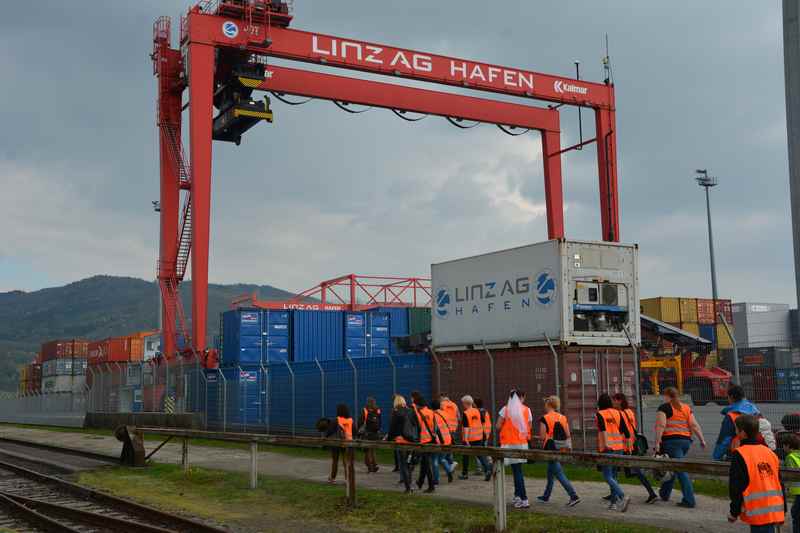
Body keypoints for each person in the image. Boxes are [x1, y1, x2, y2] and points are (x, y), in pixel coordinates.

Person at [728, 414, 785, 532]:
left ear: (742, 432)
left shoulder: (740, 454)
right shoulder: (769, 452)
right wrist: (783, 509)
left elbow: (736, 486)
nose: (735, 431)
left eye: (736, 428)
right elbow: (779, 482)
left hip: (758, 511)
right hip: (774, 509)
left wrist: (734, 511)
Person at [653, 386, 706, 508]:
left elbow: (661, 425)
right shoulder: (686, 408)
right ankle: (664, 493)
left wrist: (657, 442)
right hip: (685, 442)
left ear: (667, 396)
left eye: (663, 395)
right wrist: (702, 439)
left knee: (680, 470)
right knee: (673, 466)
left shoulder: (664, 407)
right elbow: (694, 425)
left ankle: (689, 499)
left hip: (671, 442)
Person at [612, 392, 657, 504]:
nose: (613, 402)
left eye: (614, 400)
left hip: (625, 445)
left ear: (619, 401)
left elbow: (621, 430)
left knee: (628, 470)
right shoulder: (630, 412)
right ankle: (613, 492)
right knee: (617, 469)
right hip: (632, 444)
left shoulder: (620, 413)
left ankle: (652, 493)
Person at [536, 395, 581, 506]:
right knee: (551, 471)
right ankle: (546, 496)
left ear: (548, 405)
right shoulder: (562, 417)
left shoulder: (545, 418)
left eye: (545, 403)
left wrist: (539, 438)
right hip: (561, 447)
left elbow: (542, 437)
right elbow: (568, 435)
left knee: (558, 473)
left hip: (550, 447)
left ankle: (573, 495)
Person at [497, 389, 533, 509]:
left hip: (509, 443)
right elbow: (529, 426)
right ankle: (518, 496)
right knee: (517, 470)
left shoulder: (505, 409)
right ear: (522, 397)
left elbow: (498, 425)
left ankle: (524, 498)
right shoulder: (527, 410)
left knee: (517, 471)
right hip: (522, 443)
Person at [596, 393, 631, 512]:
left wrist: (606, 444)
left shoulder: (600, 414)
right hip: (619, 447)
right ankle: (613, 503)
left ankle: (622, 496)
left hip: (608, 448)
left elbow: (603, 430)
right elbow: (626, 432)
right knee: (614, 476)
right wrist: (628, 446)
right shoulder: (618, 413)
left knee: (607, 476)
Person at [714, 384, 764, 461]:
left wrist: (716, 457)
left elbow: (725, 439)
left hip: (740, 453)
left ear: (731, 397)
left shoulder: (732, 415)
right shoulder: (756, 411)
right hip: (760, 450)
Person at [387, 394, 418, 493]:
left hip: (400, 441)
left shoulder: (396, 413)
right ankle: (411, 485)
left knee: (403, 465)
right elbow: (415, 424)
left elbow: (392, 428)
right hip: (410, 440)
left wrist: (389, 439)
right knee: (409, 464)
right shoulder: (411, 411)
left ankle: (408, 487)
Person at [460, 395, 492, 481]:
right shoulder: (477, 411)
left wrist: (466, 439)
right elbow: (482, 422)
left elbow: (466, 427)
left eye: (462, 403)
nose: (462, 405)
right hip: (479, 437)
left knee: (465, 456)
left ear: (465, 403)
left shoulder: (466, 413)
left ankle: (464, 474)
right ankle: (487, 469)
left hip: (469, 438)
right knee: (480, 455)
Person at [412, 396, 438, 493]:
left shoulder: (418, 413)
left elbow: (416, 428)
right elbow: (435, 426)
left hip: (423, 441)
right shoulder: (431, 412)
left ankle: (431, 486)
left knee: (426, 464)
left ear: (418, 405)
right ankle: (420, 482)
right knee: (424, 462)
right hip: (431, 439)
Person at [326, 404, 353, 483]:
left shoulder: (336, 420)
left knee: (335, 461)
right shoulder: (350, 420)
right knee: (346, 461)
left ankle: (332, 478)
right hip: (348, 442)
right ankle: (347, 479)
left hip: (337, 443)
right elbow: (354, 431)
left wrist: (326, 437)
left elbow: (329, 431)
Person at [431, 399, 456, 484]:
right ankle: (449, 471)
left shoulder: (433, 415)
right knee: (442, 459)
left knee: (435, 460)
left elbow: (434, 429)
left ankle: (436, 480)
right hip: (448, 439)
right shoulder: (445, 413)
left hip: (439, 441)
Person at [359, 396, 382, 473]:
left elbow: (361, 421)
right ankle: (375, 465)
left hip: (367, 432)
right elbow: (380, 421)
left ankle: (370, 466)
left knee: (367, 450)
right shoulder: (378, 410)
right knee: (373, 449)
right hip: (375, 433)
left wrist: (359, 430)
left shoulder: (365, 410)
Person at [783, 433, 800, 533]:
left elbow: (790, 474)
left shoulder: (790, 457)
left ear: (788, 445)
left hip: (799, 491)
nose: (783, 448)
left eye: (784, 445)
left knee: (795, 514)